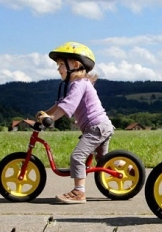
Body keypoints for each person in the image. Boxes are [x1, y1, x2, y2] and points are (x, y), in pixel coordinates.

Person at [36, 42, 114, 204]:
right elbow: (61, 103)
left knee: (78, 157)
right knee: (103, 161)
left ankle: (79, 192)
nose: (58, 69)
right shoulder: (76, 84)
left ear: (75, 65)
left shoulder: (79, 84)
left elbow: (68, 106)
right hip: (101, 126)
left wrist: (51, 119)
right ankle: (127, 169)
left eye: (61, 65)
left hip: (96, 127)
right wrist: (46, 114)